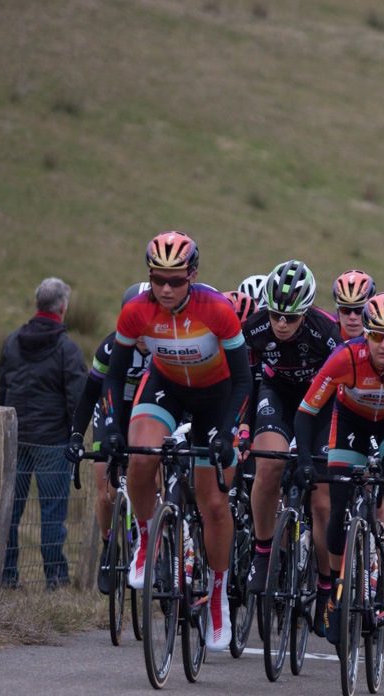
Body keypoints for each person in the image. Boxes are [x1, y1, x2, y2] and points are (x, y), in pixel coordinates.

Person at [102, 231, 253, 652]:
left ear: (193, 275)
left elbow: (244, 379)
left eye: (176, 280)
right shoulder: (136, 311)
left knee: (215, 503)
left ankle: (219, 593)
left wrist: (227, 433)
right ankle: (147, 535)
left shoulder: (217, 310)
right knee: (140, 459)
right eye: (158, 279)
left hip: (216, 398)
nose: (166, 289)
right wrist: (114, 426)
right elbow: (114, 376)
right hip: (166, 387)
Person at [294, 292, 384, 643]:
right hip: (351, 423)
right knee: (337, 506)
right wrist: (302, 462)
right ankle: (331, 592)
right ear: (366, 335)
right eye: (376, 335)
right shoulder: (344, 358)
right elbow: (306, 412)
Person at [241, 262, 345, 620]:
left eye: (291, 317)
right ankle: (263, 550)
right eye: (275, 315)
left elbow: (343, 386)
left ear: (306, 312)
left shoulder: (327, 332)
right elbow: (245, 381)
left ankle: (325, 584)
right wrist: (242, 426)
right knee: (268, 463)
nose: (281, 324)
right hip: (280, 395)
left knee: (321, 502)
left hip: (321, 402)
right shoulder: (253, 328)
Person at [0, 278, 87, 589]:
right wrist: (75, 435)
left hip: (16, 440)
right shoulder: (67, 349)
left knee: (9, 508)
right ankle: (56, 579)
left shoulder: (11, 342)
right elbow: (78, 398)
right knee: (52, 513)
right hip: (53, 442)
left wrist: (4, 436)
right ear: (62, 308)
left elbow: (3, 390)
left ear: (37, 304)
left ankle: (6, 576)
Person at [64, 283, 153, 594]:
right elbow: (90, 396)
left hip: (148, 412)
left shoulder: (166, 348)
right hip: (111, 410)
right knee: (106, 490)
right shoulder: (111, 347)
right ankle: (108, 546)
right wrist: (76, 435)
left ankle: (158, 540)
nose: (143, 334)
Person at [331, 269, 376, 341]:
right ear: (337, 310)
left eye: (359, 310)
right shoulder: (326, 328)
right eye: (345, 309)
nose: (352, 317)